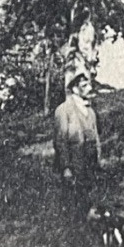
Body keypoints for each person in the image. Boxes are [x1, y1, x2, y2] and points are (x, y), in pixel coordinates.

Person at [52, 70, 101, 224]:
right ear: (74, 89)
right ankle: (72, 234)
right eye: (84, 85)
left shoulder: (91, 111)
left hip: (90, 163)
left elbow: (96, 137)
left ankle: (88, 229)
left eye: (88, 84)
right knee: (73, 201)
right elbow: (60, 141)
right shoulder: (63, 110)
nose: (88, 88)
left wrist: (98, 159)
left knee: (89, 198)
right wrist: (66, 167)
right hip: (74, 164)